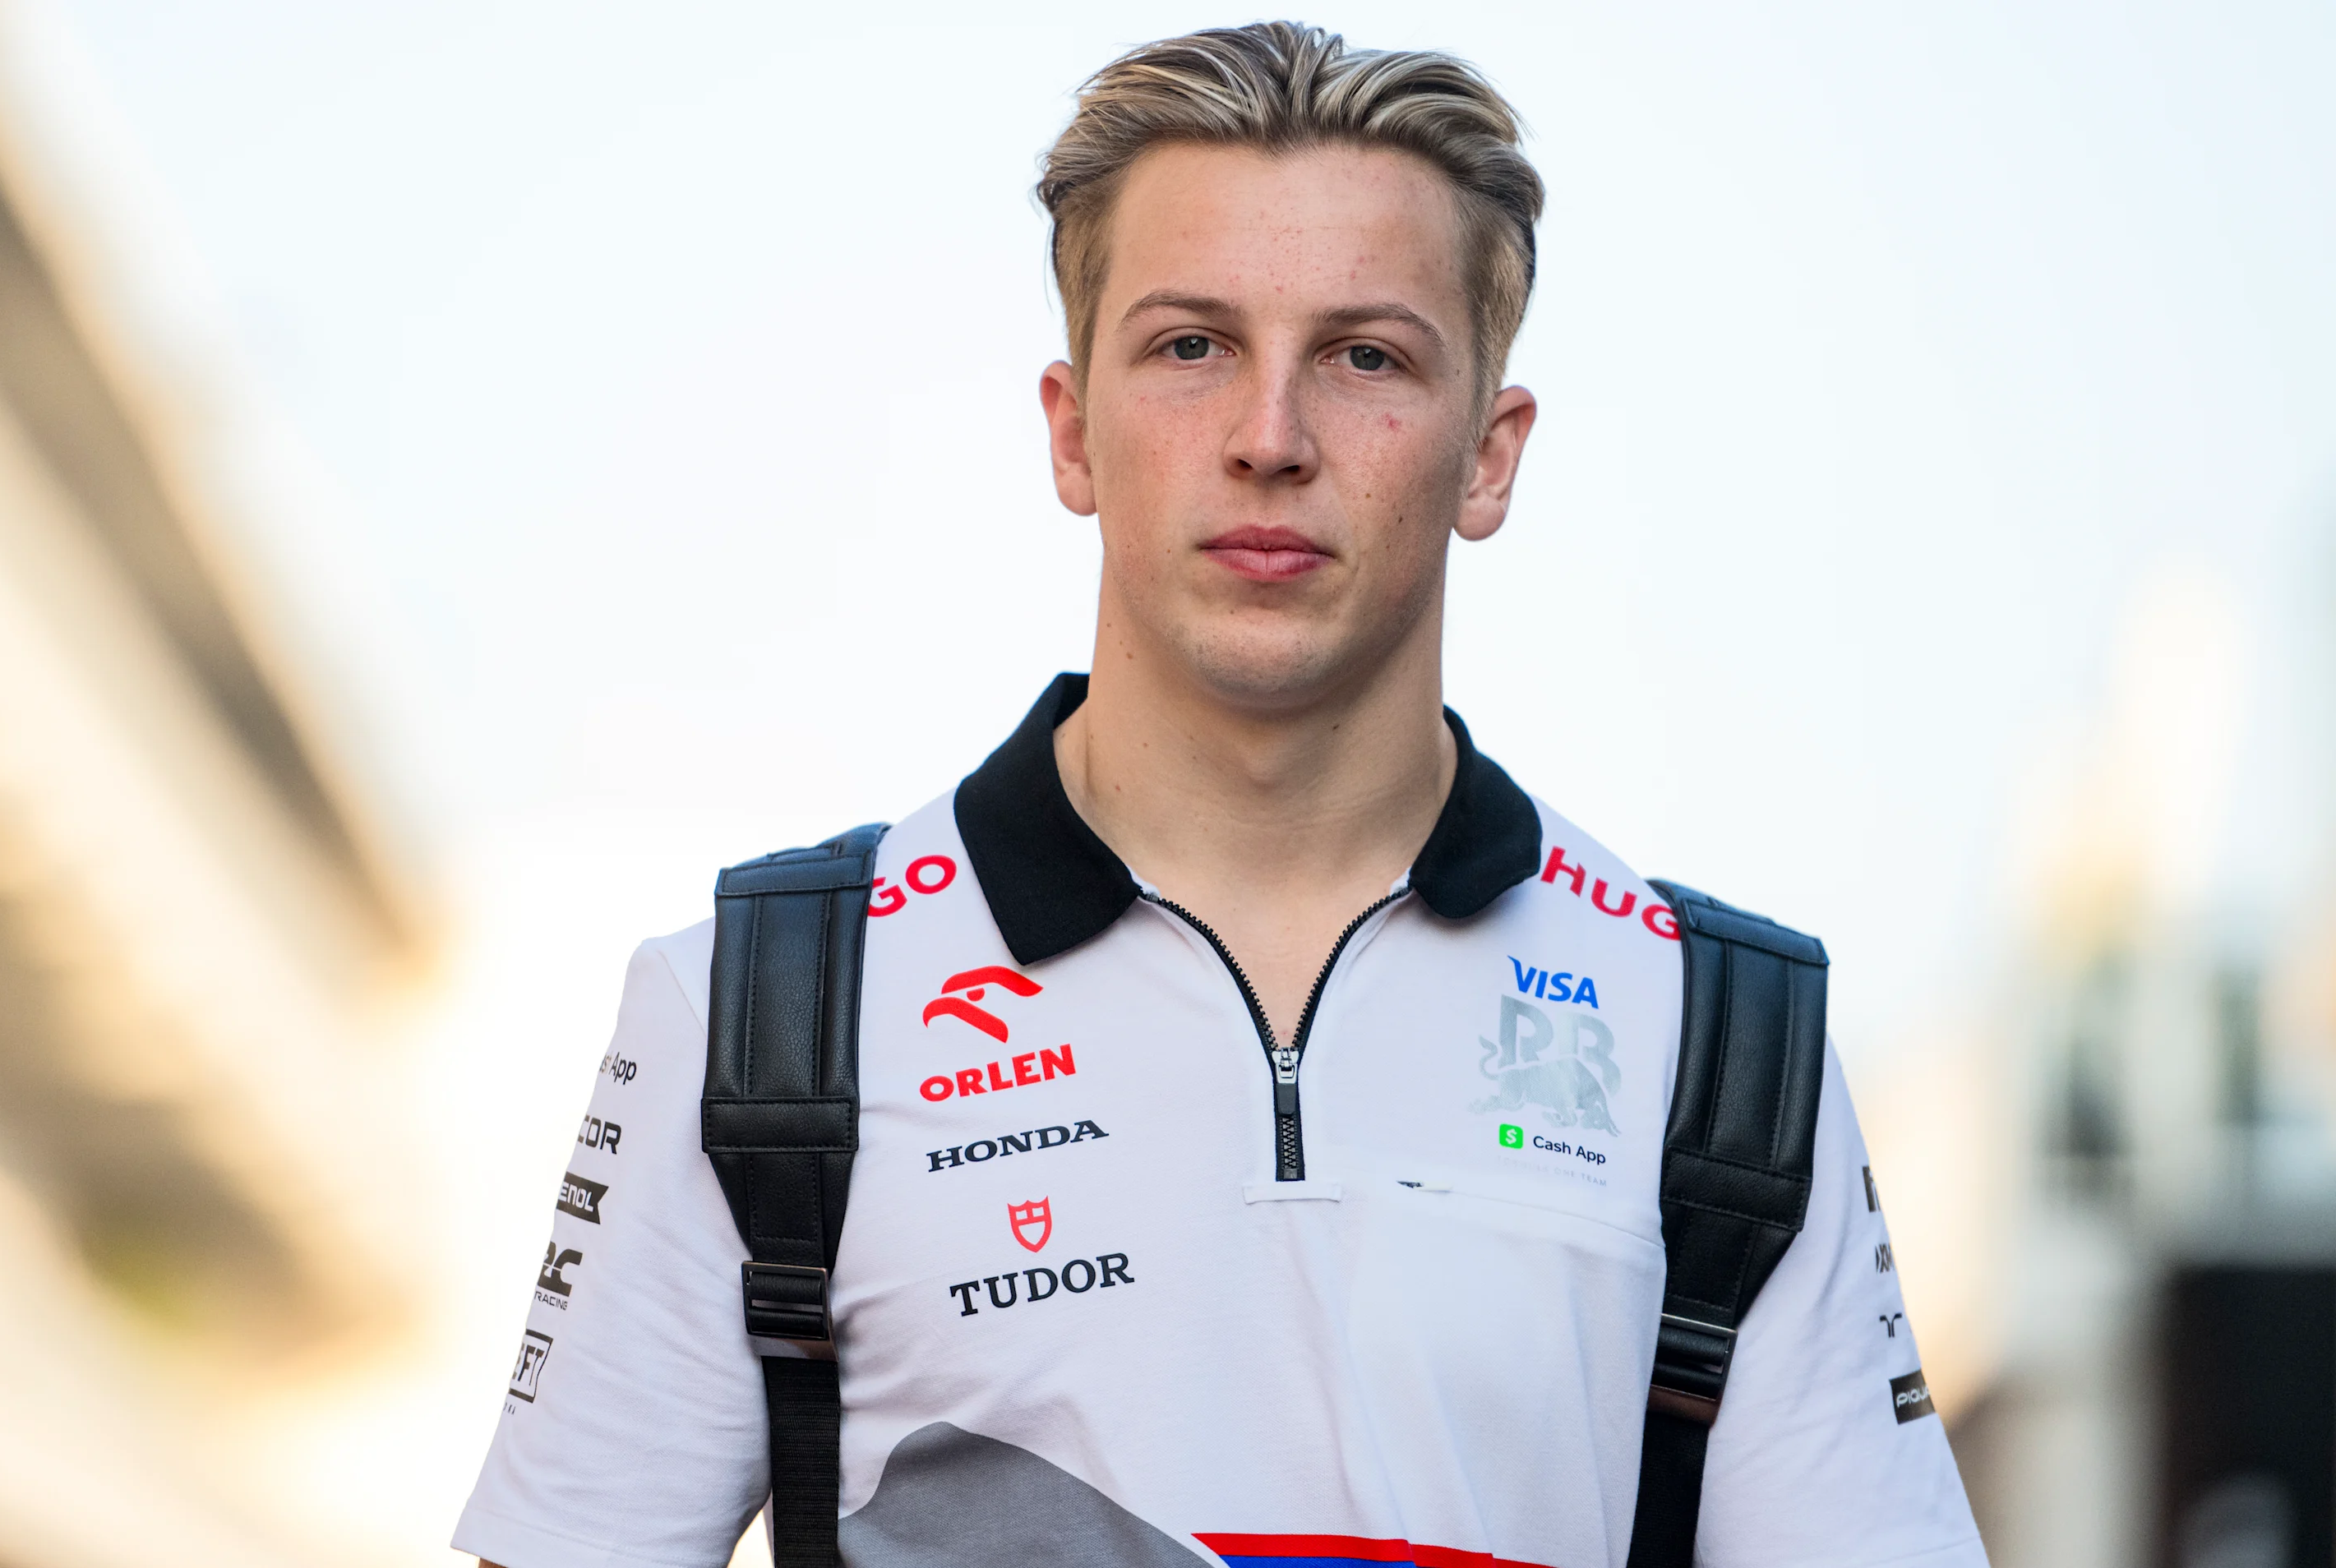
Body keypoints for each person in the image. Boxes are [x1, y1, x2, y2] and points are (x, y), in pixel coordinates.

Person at [456, 22, 1983, 1568]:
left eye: (1364, 356)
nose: (1271, 440)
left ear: (1489, 458)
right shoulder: (755, 1009)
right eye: (1192, 347)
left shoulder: (1719, 1038)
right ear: (1073, 431)